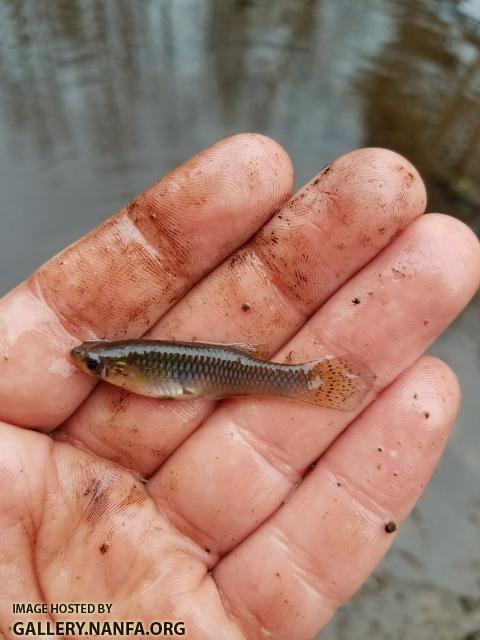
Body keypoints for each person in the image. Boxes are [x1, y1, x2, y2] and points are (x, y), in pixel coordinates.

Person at [0, 134, 478, 639]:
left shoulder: (134, 366)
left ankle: (310, 383)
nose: (90, 366)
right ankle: (308, 383)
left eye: (95, 363)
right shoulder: (129, 369)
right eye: (96, 363)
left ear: (117, 368)